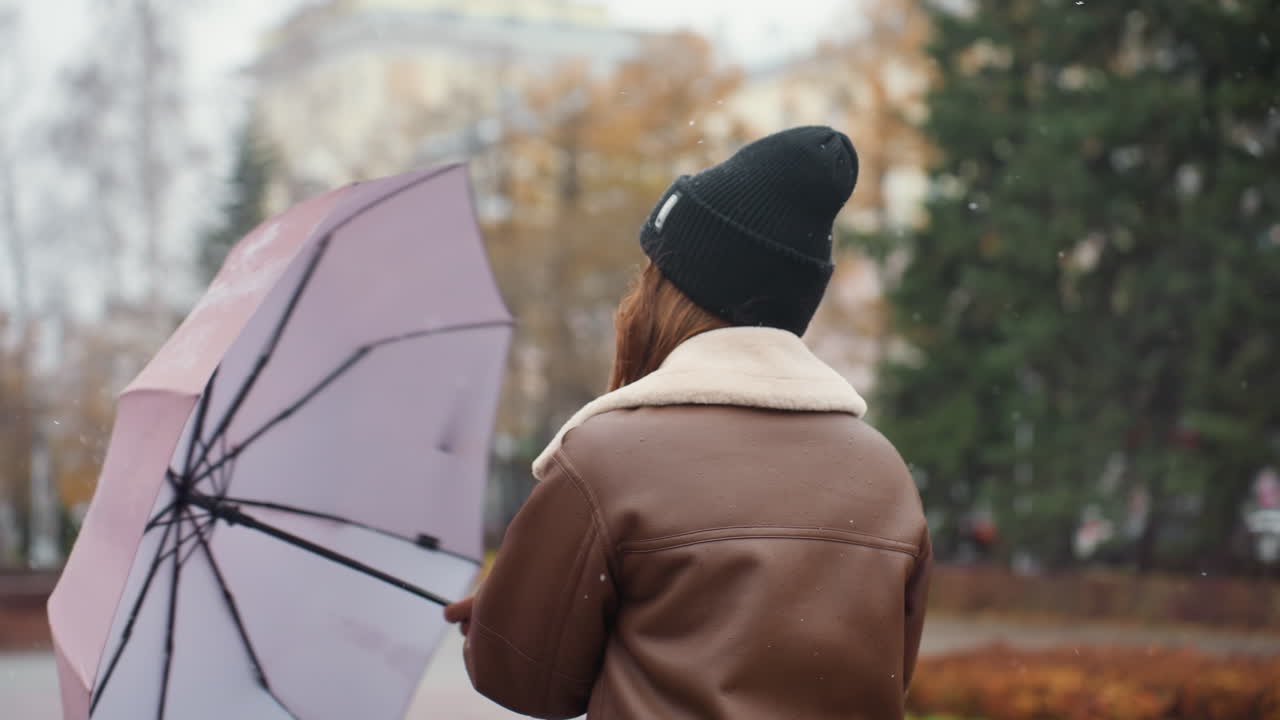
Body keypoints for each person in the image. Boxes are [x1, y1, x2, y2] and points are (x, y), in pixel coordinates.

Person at [444, 126, 932, 719]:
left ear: (674, 292)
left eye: (649, 275)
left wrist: (497, 624)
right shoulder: (883, 472)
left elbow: (525, 682)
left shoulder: (609, 457)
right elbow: (881, 679)